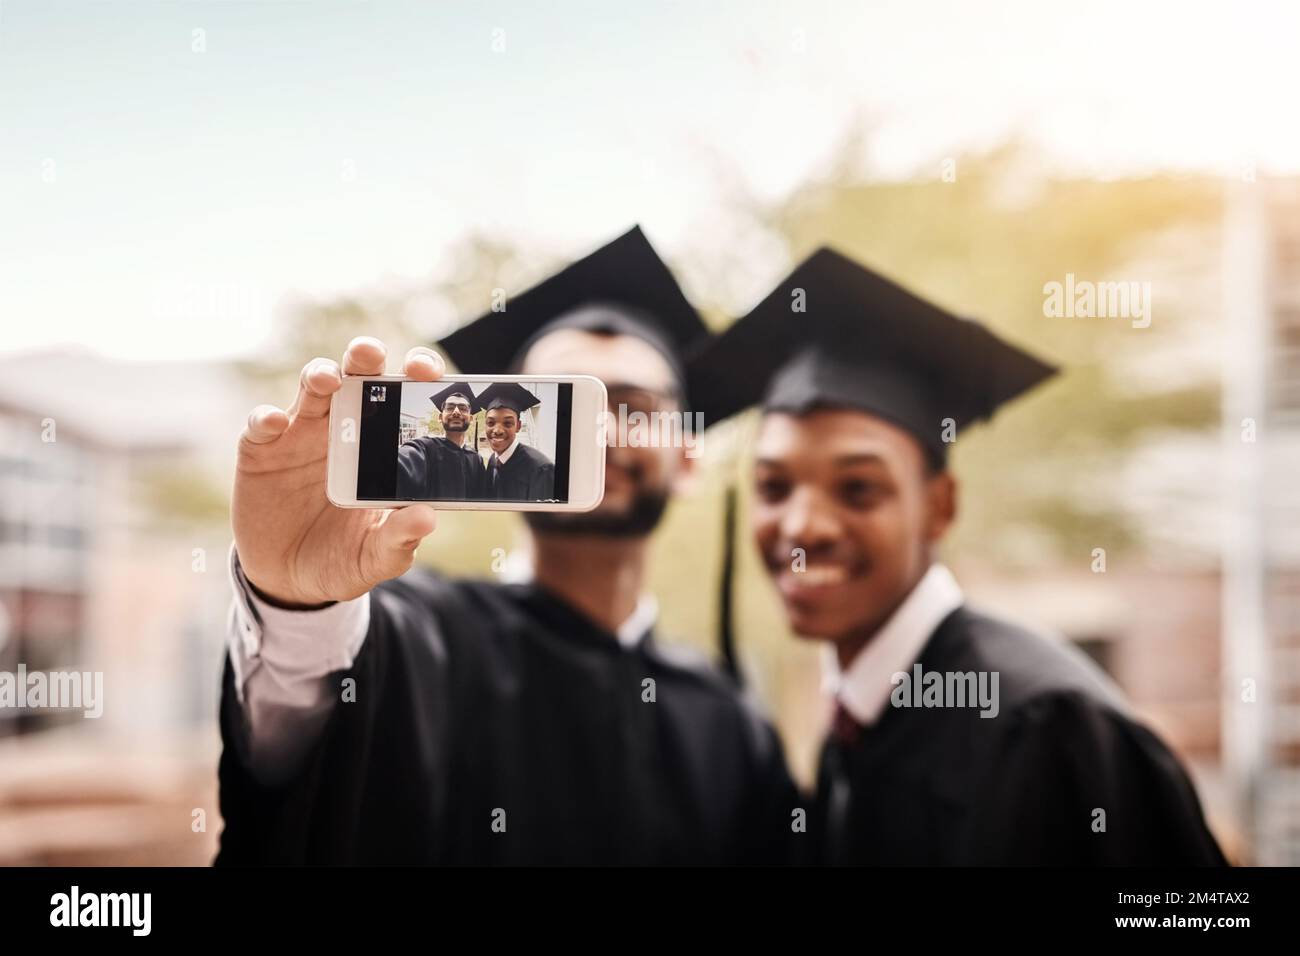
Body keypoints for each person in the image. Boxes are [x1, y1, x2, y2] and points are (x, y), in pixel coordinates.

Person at [217, 226, 798, 865]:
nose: (601, 429)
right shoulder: (417, 639)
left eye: (633, 406)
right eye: (565, 406)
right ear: (505, 438)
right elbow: (304, 719)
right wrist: (296, 603)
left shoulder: (730, 725)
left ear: (689, 459)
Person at [688, 246, 1228, 866]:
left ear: (940, 506)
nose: (804, 526)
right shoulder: (856, 725)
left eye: (859, 488)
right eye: (773, 488)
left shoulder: (1047, 726)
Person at [395, 381, 486, 500]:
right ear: (440, 418)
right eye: (450, 407)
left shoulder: (476, 459)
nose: (456, 412)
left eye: (463, 408)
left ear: (471, 418)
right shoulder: (424, 448)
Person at [475, 382, 555, 501]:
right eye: (491, 423)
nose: (497, 430)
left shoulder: (540, 469)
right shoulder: (493, 460)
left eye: (507, 423)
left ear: (518, 426)